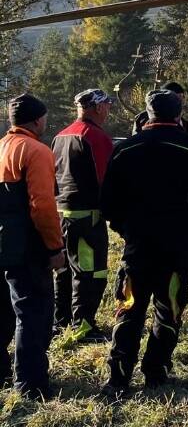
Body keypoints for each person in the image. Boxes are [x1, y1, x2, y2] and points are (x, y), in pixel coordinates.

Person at [99, 90, 188, 398]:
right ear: (178, 114)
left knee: (129, 308)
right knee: (168, 308)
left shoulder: (124, 150)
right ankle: (156, 373)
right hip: (177, 245)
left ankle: (117, 378)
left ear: (148, 113)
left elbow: (107, 204)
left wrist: (127, 230)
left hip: (137, 245)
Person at [0, 94, 64, 399]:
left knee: (3, 308)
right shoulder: (36, 150)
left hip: (3, 241)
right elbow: (42, 205)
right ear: (38, 119)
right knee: (33, 312)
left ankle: (3, 371)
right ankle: (30, 384)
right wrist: (54, 248)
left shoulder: (2, 146)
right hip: (28, 245)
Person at [51, 88, 115, 342]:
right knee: (90, 272)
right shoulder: (95, 137)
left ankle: (61, 320)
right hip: (87, 216)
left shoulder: (60, 135)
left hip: (59, 213)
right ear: (98, 107)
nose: (109, 110)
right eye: (107, 105)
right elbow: (106, 179)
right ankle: (84, 326)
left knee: (64, 270)